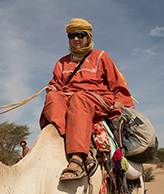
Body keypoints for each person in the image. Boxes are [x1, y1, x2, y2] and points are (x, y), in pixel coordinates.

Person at [39, 18, 134, 181]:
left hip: (97, 98)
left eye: (80, 35)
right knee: (53, 98)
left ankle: (77, 158)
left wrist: (119, 99)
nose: (76, 39)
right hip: (69, 99)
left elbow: (117, 84)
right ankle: (86, 149)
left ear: (88, 36)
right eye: (72, 35)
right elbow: (56, 83)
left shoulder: (101, 56)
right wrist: (53, 88)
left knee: (79, 98)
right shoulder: (61, 63)